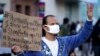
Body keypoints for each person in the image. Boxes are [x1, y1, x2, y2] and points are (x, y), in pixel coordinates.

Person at [11, 4, 93, 56]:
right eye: (52, 24)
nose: (56, 26)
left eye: (57, 24)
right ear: (44, 27)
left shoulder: (65, 42)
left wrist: (89, 19)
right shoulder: (35, 44)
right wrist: (19, 53)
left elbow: (83, 36)